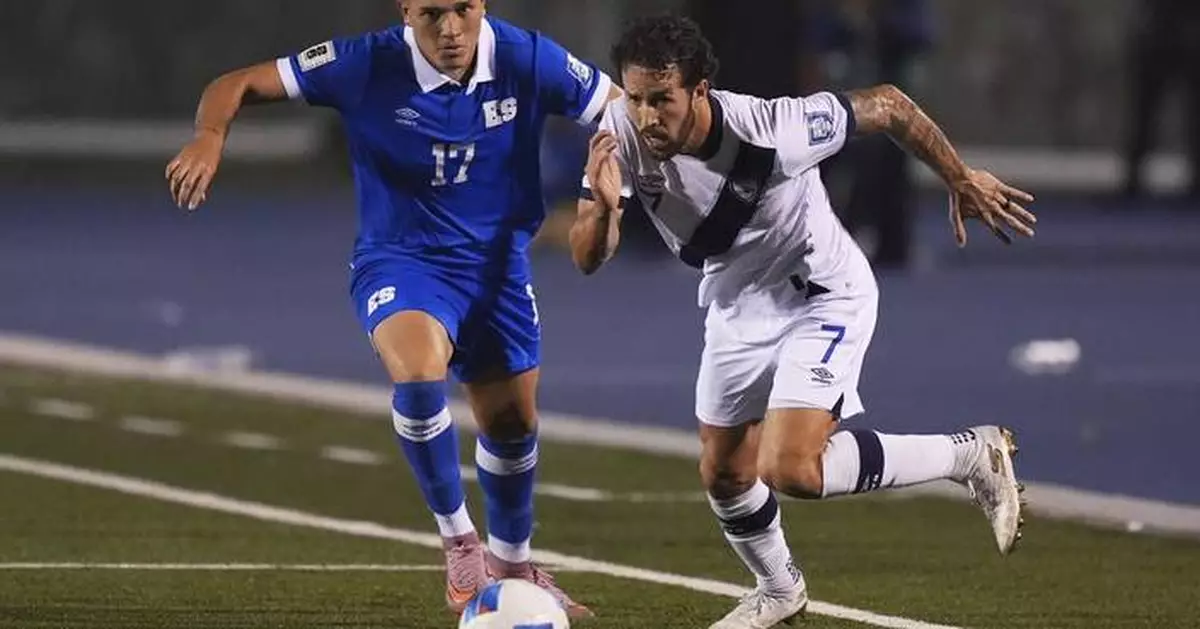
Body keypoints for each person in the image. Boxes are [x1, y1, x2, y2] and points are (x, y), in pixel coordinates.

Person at [573, 15, 1035, 628]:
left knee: (790, 467)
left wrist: (958, 176)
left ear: (700, 91)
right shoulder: (618, 134)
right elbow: (587, 258)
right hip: (737, 305)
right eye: (635, 99)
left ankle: (971, 455)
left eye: (663, 99)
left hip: (821, 296)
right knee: (725, 471)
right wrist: (605, 211)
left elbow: (890, 106)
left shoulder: (774, 128)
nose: (648, 115)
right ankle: (779, 590)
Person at [166, 0, 617, 618]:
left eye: (464, 9)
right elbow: (235, 83)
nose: (452, 29)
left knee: (511, 427)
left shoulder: (525, 56)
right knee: (418, 369)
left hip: (497, 269)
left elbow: (617, 108)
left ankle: (513, 570)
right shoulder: (363, 63)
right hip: (402, 260)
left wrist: (603, 182)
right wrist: (209, 137)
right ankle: (459, 541)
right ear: (407, 11)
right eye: (433, 13)